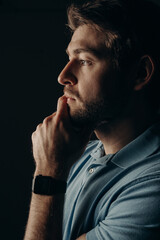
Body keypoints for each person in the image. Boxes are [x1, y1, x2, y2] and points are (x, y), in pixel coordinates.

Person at [24, 0, 160, 239]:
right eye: (69, 58)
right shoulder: (79, 154)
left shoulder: (152, 187)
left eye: (85, 60)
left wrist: (49, 172)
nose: (63, 76)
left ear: (140, 73)